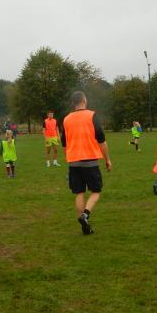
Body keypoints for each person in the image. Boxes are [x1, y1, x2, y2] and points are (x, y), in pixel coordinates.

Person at [61, 91, 112, 235]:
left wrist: (69, 158)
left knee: (79, 193)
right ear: (84, 100)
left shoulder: (66, 119)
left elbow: (64, 143)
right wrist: (107, 159)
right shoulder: (92, 115)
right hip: (90, 161)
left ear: (73, 103)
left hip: (73, 162)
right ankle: (85, 215)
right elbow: (101, 140)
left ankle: (84, 226)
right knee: (96, 191)